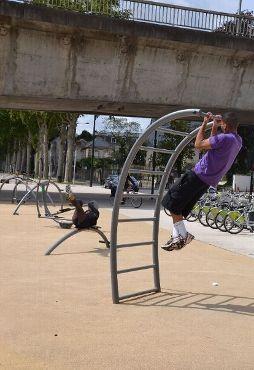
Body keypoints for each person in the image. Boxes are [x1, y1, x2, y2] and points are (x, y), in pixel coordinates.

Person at [161, 112, 242, 251]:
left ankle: (184, 235)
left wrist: (204, 123)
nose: (220, 126)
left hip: (197, 175)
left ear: (226, 125)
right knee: (178, 209)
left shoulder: (224, 138)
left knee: (170, 202)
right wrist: (215, 127)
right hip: (206, 181)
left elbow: (198, 144)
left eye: (221, 124)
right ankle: (177, 237)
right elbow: (213, 142)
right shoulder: (238, 140)